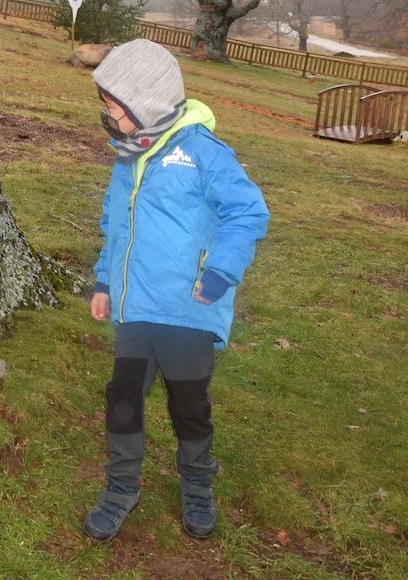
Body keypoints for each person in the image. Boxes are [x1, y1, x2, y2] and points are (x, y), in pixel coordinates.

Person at [83, 38, 269, 541]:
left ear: (144, 103)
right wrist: (103, 280)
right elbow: (115, 225)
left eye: (113, 106)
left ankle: (197, 484)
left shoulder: (204, 153)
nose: (108, 115)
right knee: (123, 398)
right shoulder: (129, 155)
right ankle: (121, 487)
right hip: (137, 306)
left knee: (188, 404)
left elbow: (248, 212)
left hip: (189, 306)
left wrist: (220, 273)